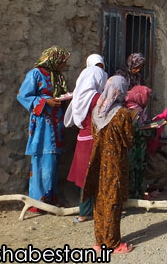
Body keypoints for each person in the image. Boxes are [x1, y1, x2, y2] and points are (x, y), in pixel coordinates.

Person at [83, 76, 134, 253]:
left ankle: (99, 240)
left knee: (99, 198)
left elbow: (93, 134)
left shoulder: (97, 112)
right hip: (115, 164)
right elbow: (129, 141)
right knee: (113, 199)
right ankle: (113, 243)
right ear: (120, 91)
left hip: (98, 161)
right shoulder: (123, 114)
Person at [17, 46, 71, 210]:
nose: (64, 65)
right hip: (43, 125)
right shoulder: (35, 74)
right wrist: (45, 102)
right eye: (62, 62)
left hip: (56, 124)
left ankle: (51, 199)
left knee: (53, 161)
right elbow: (23, 96)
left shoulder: (57, 76)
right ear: (54, 60)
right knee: (42, 159)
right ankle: (37, 203)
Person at [65, 54, 108, 223]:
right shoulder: (96, 98)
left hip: (82, 139)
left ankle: (84, 211)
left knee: (84, 176)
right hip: (95, 141)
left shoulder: (78, 97)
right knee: (96, 175)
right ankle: (94, 210)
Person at [124, 85, 153, 199]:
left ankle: (138, 192)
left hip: (139, 146)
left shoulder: (140, 109)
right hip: (134, 146)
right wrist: (148, 129)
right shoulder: (131, 110)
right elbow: (133, 130)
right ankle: (132, 194)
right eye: (146, 96)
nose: (147, 99)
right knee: (132, 168)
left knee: (139, 168)